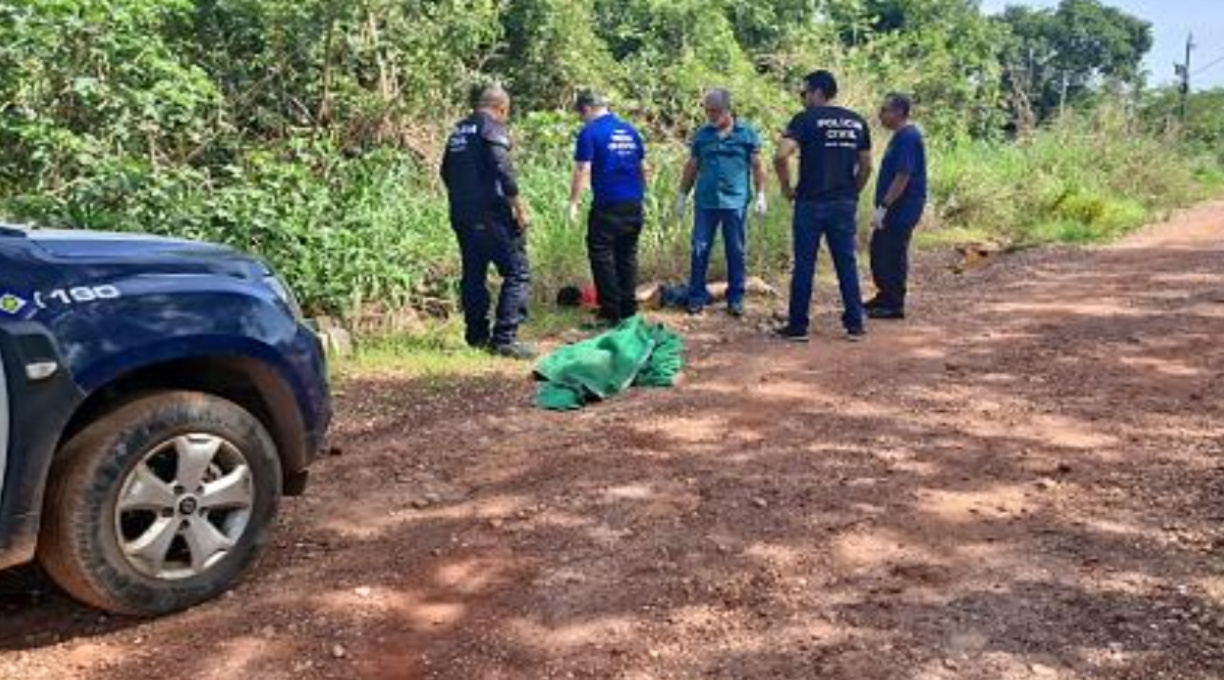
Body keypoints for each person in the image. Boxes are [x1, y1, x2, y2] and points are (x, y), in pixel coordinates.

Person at [772, 70, 873, 343]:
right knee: (847, 262)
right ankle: (855, 324)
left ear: (817, 92)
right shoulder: (857, 122)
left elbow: (781, 155)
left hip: (810, 202)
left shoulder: (805, 120)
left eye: (804, 93)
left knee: (804, 264)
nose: (803, 98)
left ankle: (798, 327)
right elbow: (866, 165)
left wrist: (786, 187)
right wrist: (853, 191)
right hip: (843, 202)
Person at [440, 84, 535, 359]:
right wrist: (519, 207)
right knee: (517, 271)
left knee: (474, 273)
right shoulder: (491, 127)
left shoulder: (459, 130)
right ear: (501, 108)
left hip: (461, 213)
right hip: (492, 213)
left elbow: (445, 171)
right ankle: (505, 339)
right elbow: (502, 167)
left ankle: (476, 336)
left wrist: (464, 199)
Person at [675, 88, 768, 318]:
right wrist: (681, 195)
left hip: (734, 201)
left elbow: (757, 166)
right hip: (706, 201)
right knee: (699, 249)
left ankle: (735, 298)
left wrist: (761, 194)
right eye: (708, 111)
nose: (711, 115)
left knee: (735, 250)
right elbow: (692, 165)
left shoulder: (746, 133)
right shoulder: (702, 135)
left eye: (715, 111)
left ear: (728, 109)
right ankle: (696, 297)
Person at [567, 91, 648, 326]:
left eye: (581, 114)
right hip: (633, 203)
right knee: (627, 254)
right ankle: (628, 307)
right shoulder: (630, 131)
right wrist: (638, 195)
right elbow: (644, 168)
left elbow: (583, 169)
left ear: (588, 109)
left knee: (601, 253)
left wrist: (573, 202)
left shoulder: (590, 132)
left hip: (608, 204)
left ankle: (611, 310)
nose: (582, 119)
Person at [868, 93, 928, 320]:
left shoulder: (907, 137)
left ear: (899, 113)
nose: (881, 114)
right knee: (879, 250)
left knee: (892, 252)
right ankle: (884, 296)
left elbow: (903, 175)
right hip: (894, 207)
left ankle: (894, 304)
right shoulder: (899, 136)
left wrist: (884, 205)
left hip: (902, 208)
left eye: (885, 110)